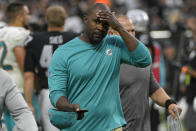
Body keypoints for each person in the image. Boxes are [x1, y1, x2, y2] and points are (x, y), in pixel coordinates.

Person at [48, 3, 152, 131]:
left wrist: (119, 27)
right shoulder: (64, 53)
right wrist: (69, 106)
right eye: (96, 21)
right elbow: (56, 94)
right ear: (85, 20)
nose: (100, 27)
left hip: (111, 126)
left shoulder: (114, 44)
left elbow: (144, 59)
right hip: (78, 127)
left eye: (105, 24)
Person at [109, 13, 182, 131]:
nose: (131, 35)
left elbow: (152, 87)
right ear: (111, 33)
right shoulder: (104, 61)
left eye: (133, 31)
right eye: (125, 31)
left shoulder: (141, 57)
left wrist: (169, 103)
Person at [24, 5, 78, 131]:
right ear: (64, 19)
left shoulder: (34, 39)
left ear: (47, 19)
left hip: (47, 92)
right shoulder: (76, 38)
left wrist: (29, 102)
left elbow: (29, 76)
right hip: (72, 92)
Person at [0, 2, 31, 130]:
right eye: (27, 14)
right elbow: (25, 66)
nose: (29, 17)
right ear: (20, 16)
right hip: (17, 86)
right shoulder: (21, 34)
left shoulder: (1, 31)